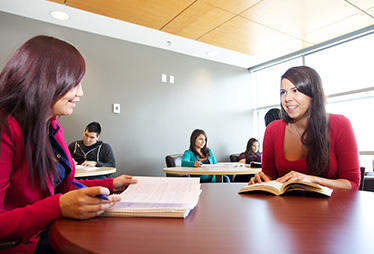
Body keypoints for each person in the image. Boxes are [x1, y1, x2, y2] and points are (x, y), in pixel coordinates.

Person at [0, 35, 137, 253]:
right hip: (27, 242)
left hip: (52, 227)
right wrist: (59, 206)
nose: (80, 93)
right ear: (46, 81)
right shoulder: (6, 128)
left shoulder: (52, 126)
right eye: (75, 84)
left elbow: (63, 186)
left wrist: (111, 185)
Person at [249, 66, 360, 190]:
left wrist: (311, 180)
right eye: (283, 92)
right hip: (285, 208)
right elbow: (270, 177)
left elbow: (352, 184)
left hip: (331, 208)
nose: (287, 98)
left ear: (313, 94)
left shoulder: (340, 124)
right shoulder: (272, 130)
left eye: (295, 90)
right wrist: (262, 180)